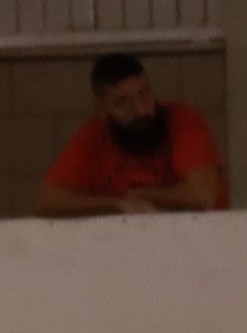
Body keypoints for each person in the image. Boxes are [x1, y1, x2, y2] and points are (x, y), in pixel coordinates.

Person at [34, 54, 225, 216]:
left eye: (144, 94)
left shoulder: (182, 121)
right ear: (103, 109)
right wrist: (116, 205)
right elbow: (47, 202)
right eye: (124, 102)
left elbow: (203, 196)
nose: (141, 110)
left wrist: (142, 197)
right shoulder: (93, 136)